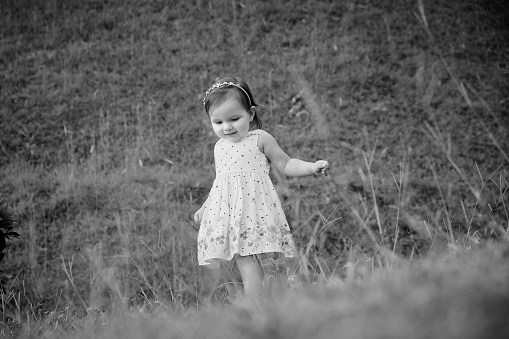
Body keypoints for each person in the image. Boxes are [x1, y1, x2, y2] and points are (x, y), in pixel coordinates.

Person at [194, 76, 329, 299]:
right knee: (245, 262)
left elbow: (286, 163)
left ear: (251, 114)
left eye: (234, 118)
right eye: (218, 122)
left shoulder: (260, 138)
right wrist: (205, 207)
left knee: (269, 263)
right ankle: (257, 306)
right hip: (233, 216)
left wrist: (311, 167)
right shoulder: (220, 148)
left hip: (257, 211)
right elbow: (221, 183)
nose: (226, 127)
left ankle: (274, 301)